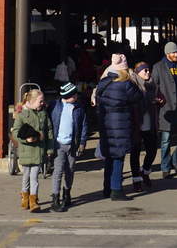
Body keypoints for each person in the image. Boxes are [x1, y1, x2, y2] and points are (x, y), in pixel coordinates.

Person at [96, 61, 144, 201]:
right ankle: (116, 190)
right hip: (120, 125)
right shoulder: (126, 84)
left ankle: (107, 188)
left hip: (106, 124)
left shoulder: (103, 83)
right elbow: (139, 96)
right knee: (118, 158)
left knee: (109, 159)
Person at [49, 82, 88, 212]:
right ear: (67, 96)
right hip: (58, 144)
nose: (76, 97)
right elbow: (48, 123)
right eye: (74, 95)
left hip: (72, 145)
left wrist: (82, 143)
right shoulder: (55, 106)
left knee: (70, 170)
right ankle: (55, 198)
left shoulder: (78, 108)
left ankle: (67, 193)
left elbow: (83, 126)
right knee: (58, 171)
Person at [12, 88, 53, 212]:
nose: (43, 103)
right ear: (32, 101)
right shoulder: (22, 115)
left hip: (38, 151)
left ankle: (33, 200)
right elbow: (15, 132)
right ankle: (25, 196)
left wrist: (50, 149)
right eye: (40, 101)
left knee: (34, 176)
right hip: (26, 151)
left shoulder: (43, 113)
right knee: (26, 175)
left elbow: (49, 131)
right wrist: (26, 140)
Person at [153, 41, 177, 178]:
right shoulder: (158, 67)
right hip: (166, 108)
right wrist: (156, 98)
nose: (176, 54)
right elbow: (154, 85)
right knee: (165, 140)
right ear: (167, 53)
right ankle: (165, 167)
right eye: (173, 52)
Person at [129, 61, 162, 191]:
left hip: (150, 123)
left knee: (152, 150)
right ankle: (136, 179)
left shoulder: (153, 84)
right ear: (138, 73)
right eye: (145, 71)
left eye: (148, 70)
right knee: (135, 152)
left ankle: (146, 170)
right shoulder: (132, 85)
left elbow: (160, 96)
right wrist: (149, 100)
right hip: (137, 124)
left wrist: (160, 101)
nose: (148, 72)